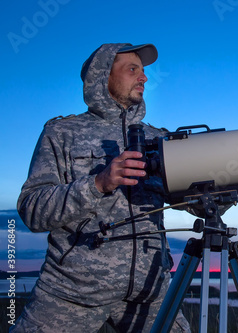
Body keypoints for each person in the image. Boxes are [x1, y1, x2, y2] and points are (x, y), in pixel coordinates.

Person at [12, 43, 191, 332]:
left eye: (143, 72)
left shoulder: (160, 138)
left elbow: (190, 200)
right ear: (101, 77)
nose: (144, 78)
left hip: (148, 292)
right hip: (71, 291)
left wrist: (220, 180)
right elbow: (33, 210)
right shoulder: (62, 133)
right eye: (132, 69)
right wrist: (98, 183)